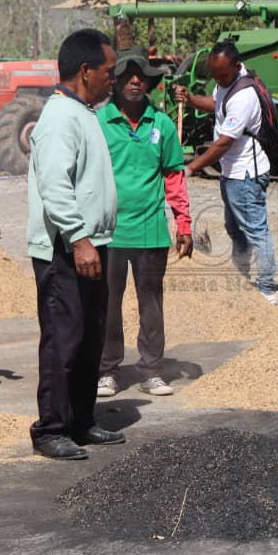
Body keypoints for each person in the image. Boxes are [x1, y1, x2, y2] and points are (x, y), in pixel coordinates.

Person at [27, 28, 124, 460]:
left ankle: (81, 421)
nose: (113, 79)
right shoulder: (59, 118)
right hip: (66, 248)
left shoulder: (82, 111)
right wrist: (80, 238)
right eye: (109, 71)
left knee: (88, 337)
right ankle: (51, 428)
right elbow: (55, 186)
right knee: (63, 338)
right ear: (86, 72)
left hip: (90, 244)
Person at [96, 46, 193, 399]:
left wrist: (183, 223)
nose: (135, 81)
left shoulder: (163, 124)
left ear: (149, 83)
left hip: (151, 231)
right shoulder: (99, 122)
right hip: (109, 232)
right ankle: (107, 371)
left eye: (141, 76)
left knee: (151, 303)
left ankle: (151, 370)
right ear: (116, 81)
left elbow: (174, 176)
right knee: (107, 302)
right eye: (127, 76)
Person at [174, 41, 278, 304]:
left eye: (222, 74)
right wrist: (191, 100)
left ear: (235, 65)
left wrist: (191, 167)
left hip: (246, 174)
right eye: (215, 74)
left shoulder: (244, 95)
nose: (218, 79)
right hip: (232, 172)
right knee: (236, 229)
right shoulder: (228, 82)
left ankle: (266, 290)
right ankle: (241, 277)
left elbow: (223, 142)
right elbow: (216, 104)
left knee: (256, 231)